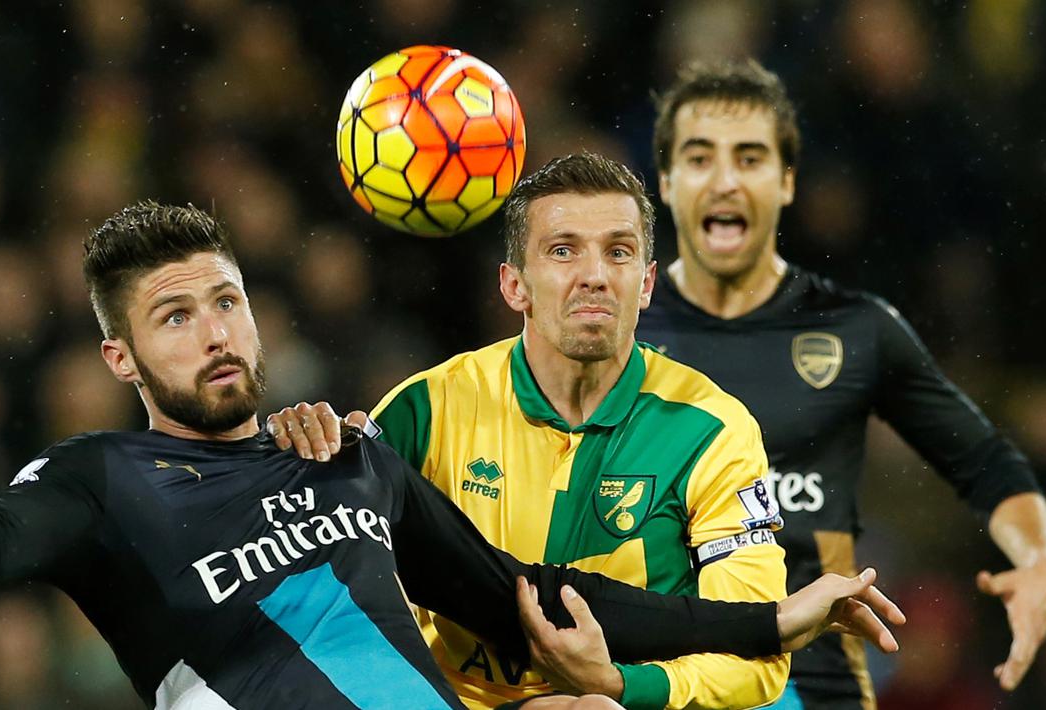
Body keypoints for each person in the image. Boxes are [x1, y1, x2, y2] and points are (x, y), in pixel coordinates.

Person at [0, 202, 902, 710]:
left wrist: (770, 613)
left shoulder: (351, 461)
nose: (212, 333)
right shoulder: (98, 478)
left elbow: (528, 594)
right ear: (119, 355)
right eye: (173, 316)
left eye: (225, 302)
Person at [273, 154, 814, 710]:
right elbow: (327, 599)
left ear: (647, 282)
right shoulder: (427, 408)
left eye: (619, 252)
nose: (595, 276)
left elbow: (755, 661)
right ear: (514, 285)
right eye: (563, 250)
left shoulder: (712, 429)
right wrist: (291, 458)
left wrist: (618, 685)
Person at [638, 58, 1046, 708]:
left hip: (813, 685)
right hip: (656, 679)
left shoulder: (854, 329)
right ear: (666, 182)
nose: (724, 181)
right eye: (700, 158)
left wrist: (1039, 561)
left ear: (785, 181)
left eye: (749, 158)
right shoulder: (614, 335)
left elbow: (985, 463)